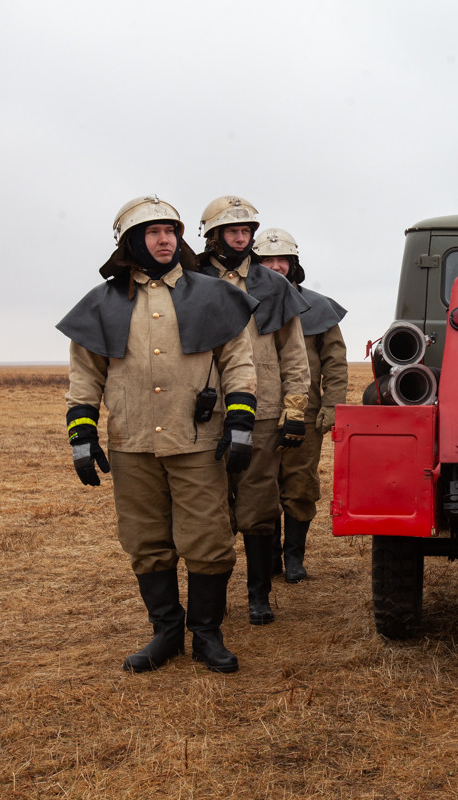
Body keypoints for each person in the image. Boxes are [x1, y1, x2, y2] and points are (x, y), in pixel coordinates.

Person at [56, 195, 259, 674]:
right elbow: (85, 374)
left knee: (209, 539)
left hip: (197, 443)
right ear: (131, 242)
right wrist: (81, 435)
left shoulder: (212, 295)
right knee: (145, 540)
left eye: (171, 230)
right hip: (133, 443)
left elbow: (238, 363)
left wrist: (241, 424)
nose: (165, 239)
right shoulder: (102, 304)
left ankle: (207, 634)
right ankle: (165, 633)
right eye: (153, 232)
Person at [196, 197, 310, 623]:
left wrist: (295, 409)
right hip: (208, 413)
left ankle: (259, 596)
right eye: (232, 230)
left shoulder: (273, 285)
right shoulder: (191, 281)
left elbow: (295, 355)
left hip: (262, 413)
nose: (241, 237)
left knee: (259, 507)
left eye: (246, 230)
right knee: (211, 509)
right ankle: (214, 601)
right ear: (214, 234)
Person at [254, 228, 348, 583]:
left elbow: (335, 361)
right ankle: (269, 559)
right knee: (261, 487)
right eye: (268, 260)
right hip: (257, 411)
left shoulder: (317, 306)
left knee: (299, 484)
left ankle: (294, 558)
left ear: (294, 265)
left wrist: (332, 406)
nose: (276, 266)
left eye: (283, 260)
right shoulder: (242, 302)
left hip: (305, 414)